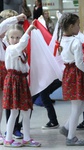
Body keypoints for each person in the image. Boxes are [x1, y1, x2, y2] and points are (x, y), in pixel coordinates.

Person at [3, 19, 41, 147]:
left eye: (18, 37)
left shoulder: (22, 52)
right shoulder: (11, 49)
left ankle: (27, 137)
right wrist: (29, 30)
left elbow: (26, 67)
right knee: (14, 111)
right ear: (7, 39)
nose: (15, 39)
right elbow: (21, 44)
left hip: (21, 81)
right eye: (12, 37)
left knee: (26, 111)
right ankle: (8, 139)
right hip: (14, 81)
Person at [58, 12, 84, 146]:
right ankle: (71, 137)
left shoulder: (62, 39)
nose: (79, 27)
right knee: (77, 107)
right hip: (76, 74)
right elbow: (79, 62)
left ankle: (66, 128)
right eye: (78, 25)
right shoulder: (76, 42)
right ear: (71, 26)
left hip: (68, 73)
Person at [0, 10, 27, 145]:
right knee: (3, 104)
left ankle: (12, 130)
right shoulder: (4, 40)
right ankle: (5, 133)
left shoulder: (7, 42)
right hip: (4, 71)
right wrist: (16, 18)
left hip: (8, 72)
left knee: (10, 104)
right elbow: (4, 26)